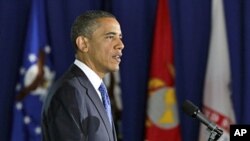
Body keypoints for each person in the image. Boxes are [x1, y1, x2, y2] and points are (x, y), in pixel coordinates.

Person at [41, 10, 124, 141]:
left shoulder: (98, 91)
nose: (120, 45)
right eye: (110, 37)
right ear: (83, 44)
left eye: (120, 37)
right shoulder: (69, 92)